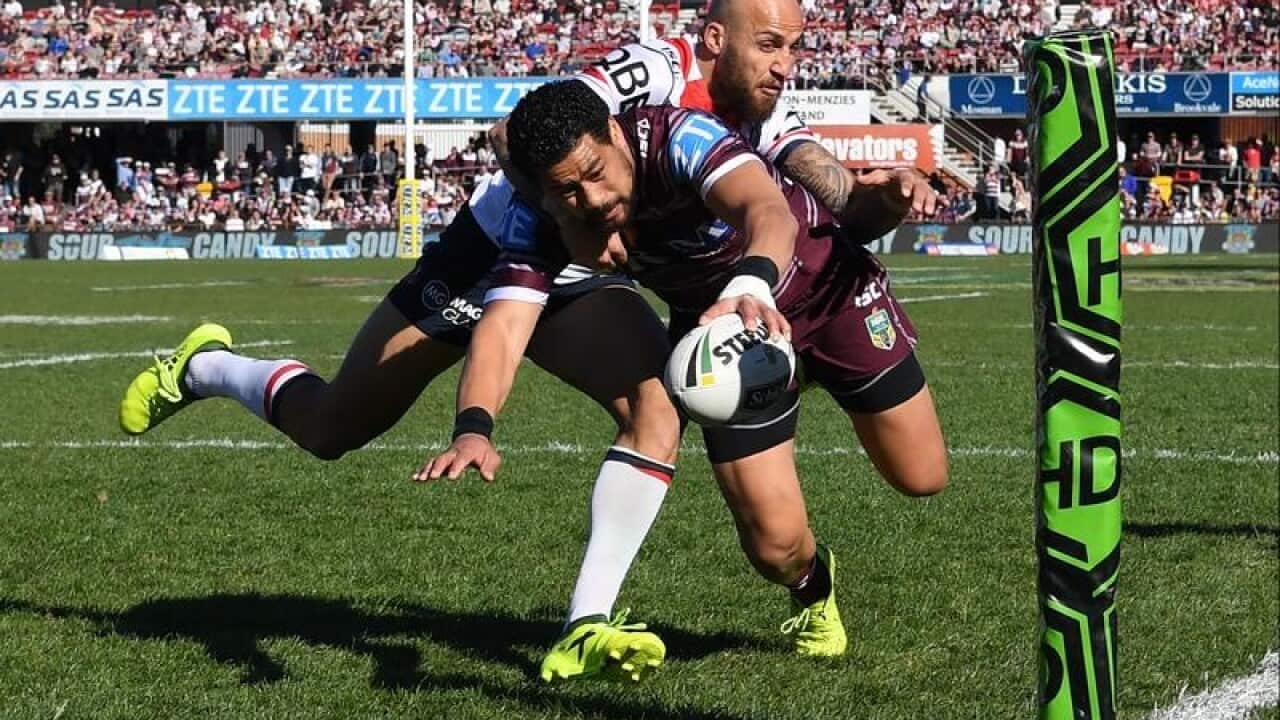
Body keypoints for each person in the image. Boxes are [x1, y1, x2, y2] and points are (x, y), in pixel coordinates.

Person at [118, 0, 935, 684]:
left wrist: (871, 201)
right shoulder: (642, 79)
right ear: (718, 40)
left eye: (794, 48)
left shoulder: (741, 113)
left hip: (590, 258)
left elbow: (798, 182)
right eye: (771, 45)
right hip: (497, 252)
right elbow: (526, 140)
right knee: (333, 427)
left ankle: (586, 621)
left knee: (655, 406)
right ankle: (209, 366)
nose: (784, 64)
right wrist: (566, 215)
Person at [422, 80, 947, 675]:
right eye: (567, 190)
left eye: (596, 172)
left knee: (922, 476)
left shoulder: (678, 137)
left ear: (615, 134)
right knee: (776, 549)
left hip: (829, 293)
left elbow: (767, 211)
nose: (591, 199)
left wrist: (748, 283)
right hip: (726, 339)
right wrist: (473, 426)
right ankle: (814, 589)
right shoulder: (540, 214)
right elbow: (505, 324)